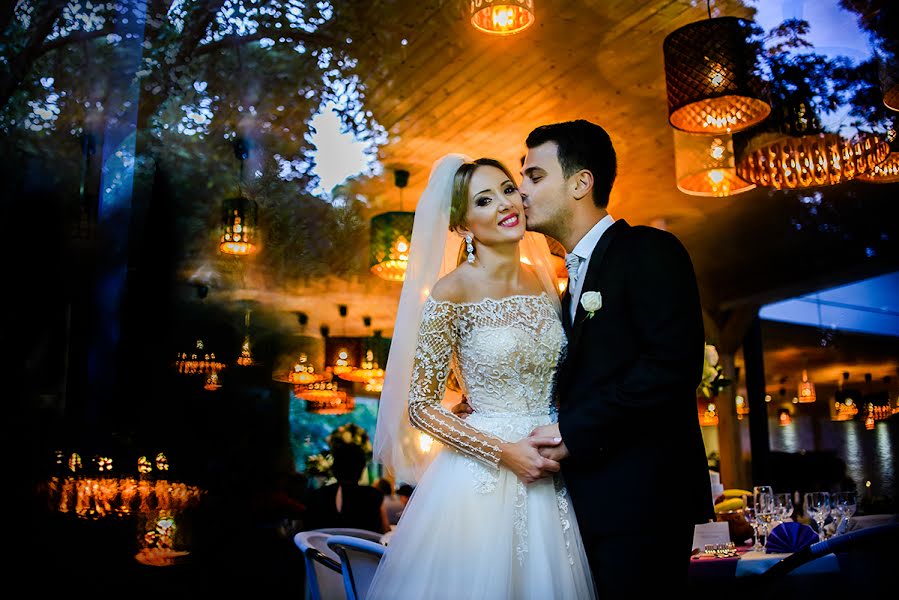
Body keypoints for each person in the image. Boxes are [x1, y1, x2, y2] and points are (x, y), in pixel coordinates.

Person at [455, 119, 713, 596]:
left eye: (533, 177)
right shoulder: (567, 281)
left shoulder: (647, 251)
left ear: (580, 183)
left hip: (643, 504)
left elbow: (670, 368)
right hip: (584, 505)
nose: (520, 194)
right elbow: (589, 374)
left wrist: (573, 431)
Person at [368, 155, 596, 599]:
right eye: (484, 200)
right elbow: (420, 406)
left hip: (554, 468)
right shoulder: (452, 289)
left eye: (509, 190)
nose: (505, 205)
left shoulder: (546, 281)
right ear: (463, 223)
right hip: (484, 479)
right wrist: (504, 452)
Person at [304, 442, 389, 534]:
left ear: (334, 468)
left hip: (321, 548)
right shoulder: (374, 495)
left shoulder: (316, 496)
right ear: (361, 468)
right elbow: (385, 530)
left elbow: (306, 532)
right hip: (363, 548)